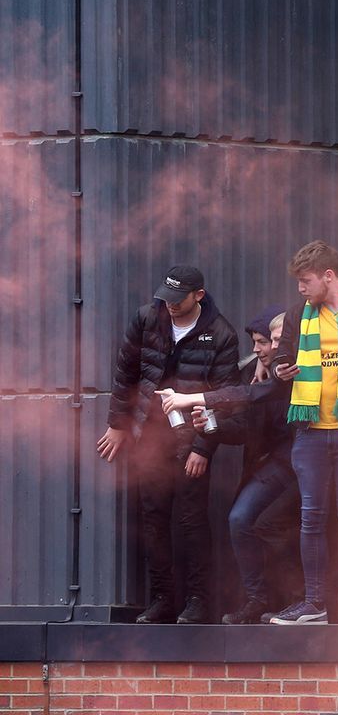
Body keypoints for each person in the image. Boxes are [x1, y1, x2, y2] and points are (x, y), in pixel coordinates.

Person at [97, 265, 240, 624]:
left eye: (179, 300)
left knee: (193, 523)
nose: (171, 306)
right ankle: (162, 600)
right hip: (149, 439)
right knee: (153, 520)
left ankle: (198, 602)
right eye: (167, 298)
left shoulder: (221, 334)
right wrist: (118, 425)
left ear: (199, 296)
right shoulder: (147, 319)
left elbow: (222, 399)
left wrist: (203, 448)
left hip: (191, 440)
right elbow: (125, 373)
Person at [161, 308, 304, 624]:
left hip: (308, 460)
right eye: (257, 342)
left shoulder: (297, 366)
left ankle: (301, 601)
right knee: (240, 519)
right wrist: (209, 428)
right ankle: (258, 600)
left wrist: (192, 399)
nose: (259, 349)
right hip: (275, 465)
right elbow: (242, 425)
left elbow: (252, 395)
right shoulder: (254, 372)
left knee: (277, 523)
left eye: (266, 342)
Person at [270, 240, 338, 625]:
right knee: (311, 518)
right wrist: (281, 369)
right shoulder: (298, 314)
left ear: (328, 276)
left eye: (306, 281)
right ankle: (314, 603)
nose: (300, 289)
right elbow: (283, 355)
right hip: (310, 431)